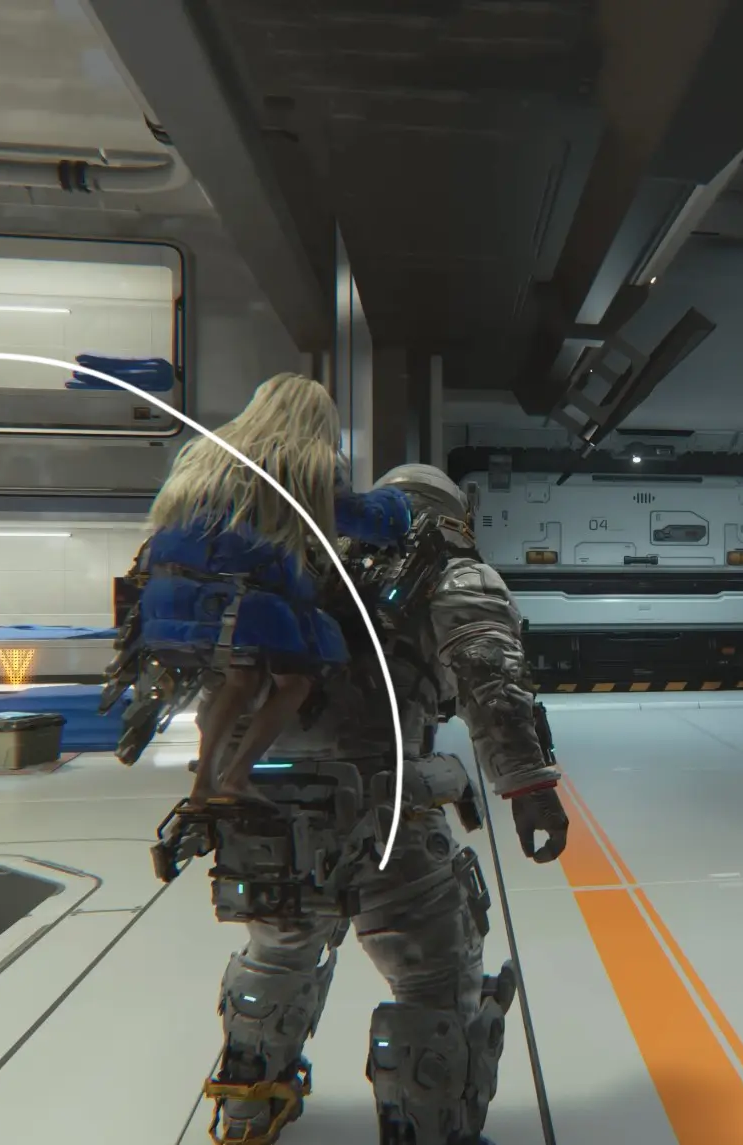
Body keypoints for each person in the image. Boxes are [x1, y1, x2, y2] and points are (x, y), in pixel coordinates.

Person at [154, 462, 570, 1145]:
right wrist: (528, 786)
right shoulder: (451, 574)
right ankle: (425, 1126)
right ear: (452, 516)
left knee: (278, 951)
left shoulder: (300, 573)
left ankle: (248, 1106)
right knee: (435, 976)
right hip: (380, 810)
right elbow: (490, 678)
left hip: (260, 805)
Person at [100, 372, 411, 803]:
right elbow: (363, 521)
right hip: (237, 601)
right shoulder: (303, 460)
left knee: (241, 677)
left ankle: (203, 785)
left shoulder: (206, 452)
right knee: (296, 681)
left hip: (167, 598)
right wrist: (398, 503)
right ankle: (236, 777)